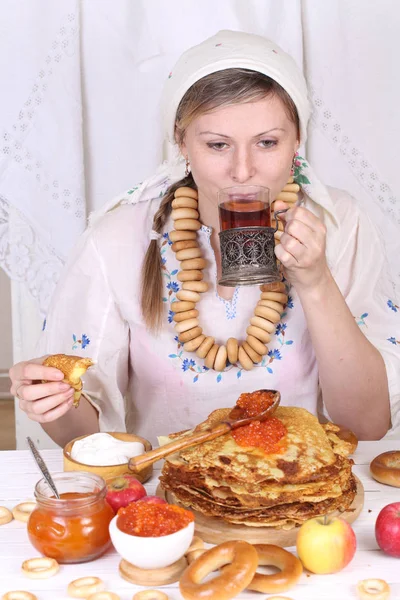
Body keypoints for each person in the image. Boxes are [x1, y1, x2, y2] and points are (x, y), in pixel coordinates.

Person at [9, 30, 400, 447]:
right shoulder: (118, 240)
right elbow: (82, 436)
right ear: (182, 142)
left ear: (297, 140)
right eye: (218, 145)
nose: (243, 170)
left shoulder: (340, 224)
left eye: (267, 142)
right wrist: (52, 399)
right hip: (173, 496)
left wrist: (317, 282)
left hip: (303, 490)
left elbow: (369, 425)